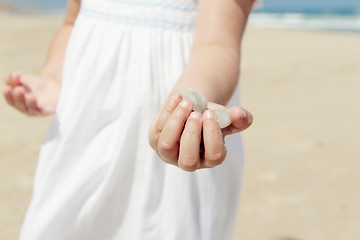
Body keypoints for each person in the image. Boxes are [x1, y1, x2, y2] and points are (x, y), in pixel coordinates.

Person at [3, 0, 260, 239]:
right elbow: (72, 22)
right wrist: (52, 78)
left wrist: (188, 107)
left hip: (170, 137)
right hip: (82, 135)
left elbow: (216, 46)